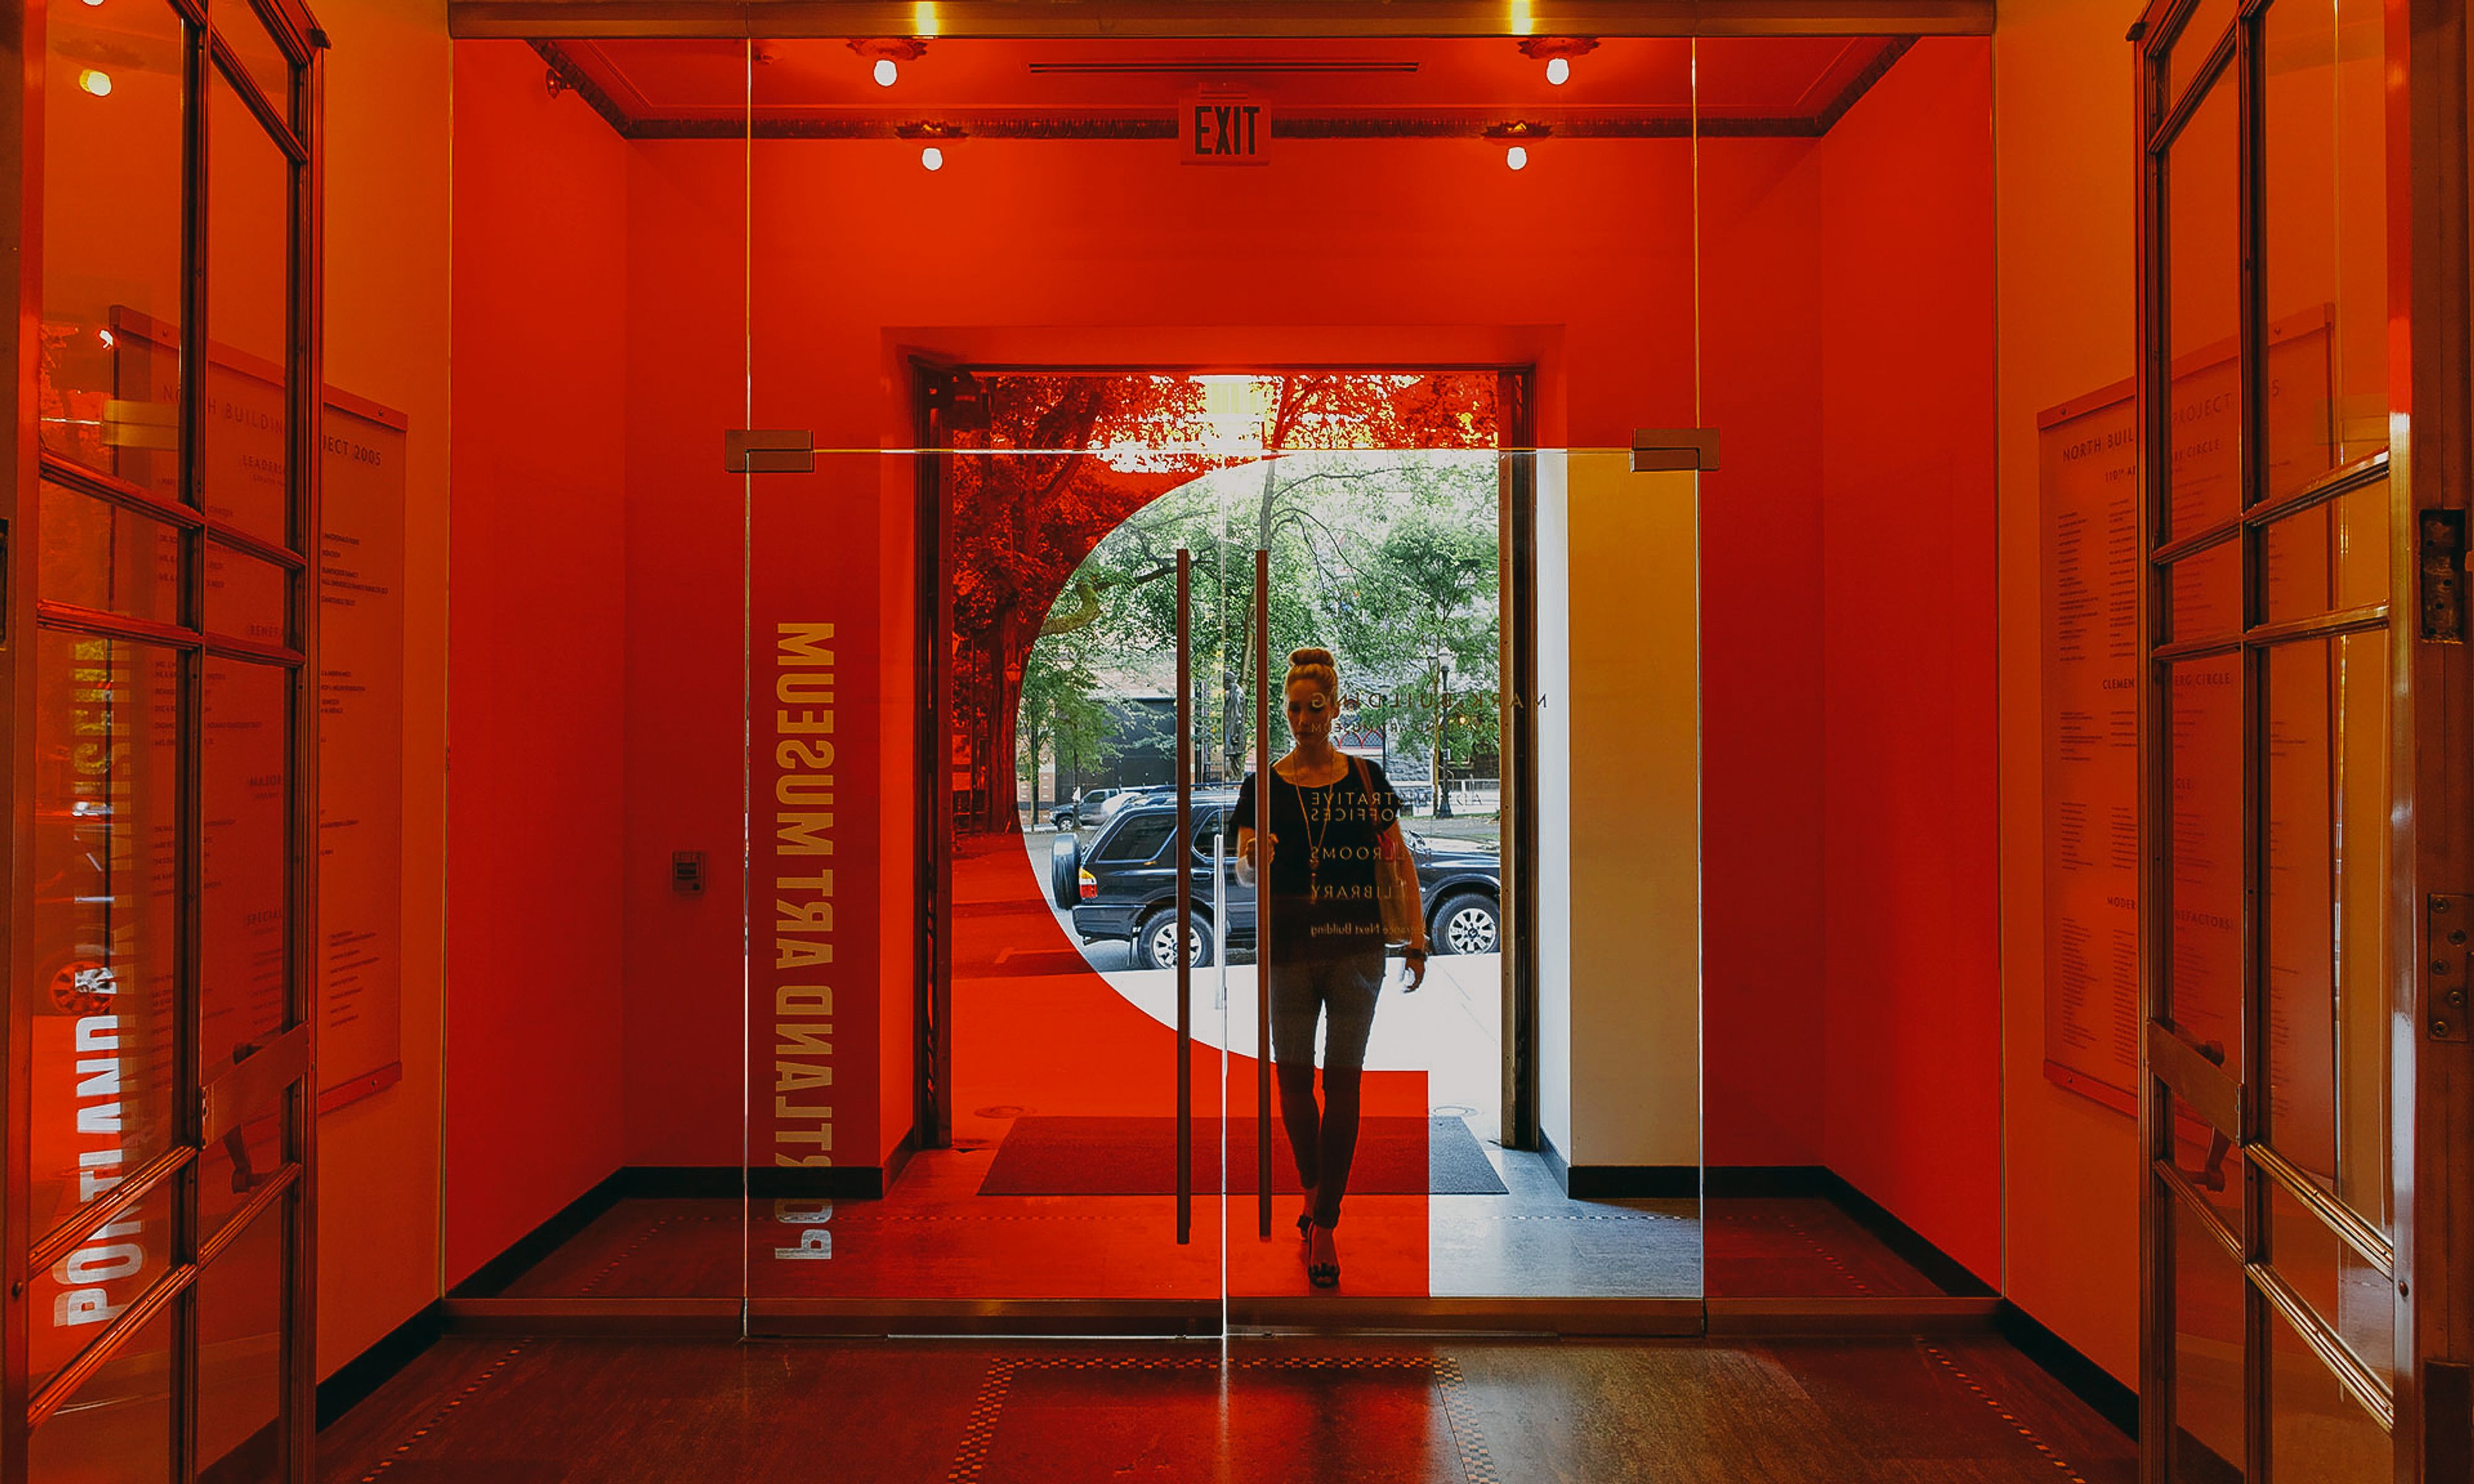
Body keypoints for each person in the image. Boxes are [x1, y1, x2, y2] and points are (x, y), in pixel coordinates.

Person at [1235, 646, 1428, 1290]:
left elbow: (1399, 861)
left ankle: (1324, 1223)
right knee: (1292, 1084)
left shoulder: (1366, 779)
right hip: (1287, 951)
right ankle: (1315, 1194)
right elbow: (1242, 869)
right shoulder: (1261, 786)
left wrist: (1418, 937)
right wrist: (1253, 855)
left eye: (1315, 707)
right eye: (1293, 708)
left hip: (1356, 949)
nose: (1303, 719)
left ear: (1335, 708)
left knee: (1343, 1084)